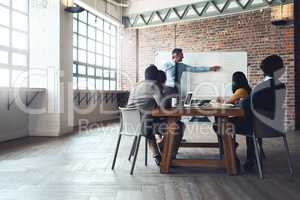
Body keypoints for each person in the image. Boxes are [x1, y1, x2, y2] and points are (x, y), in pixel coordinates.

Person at [213, 71, 253, 172]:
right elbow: (231, 101)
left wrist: (221, 101)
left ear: (235, 81)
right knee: (219, 123)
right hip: (249, 121)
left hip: (245, 123)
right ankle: (228, 146)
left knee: (218, 125)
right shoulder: (245, 90)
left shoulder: (241, 90)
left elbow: (228, 102)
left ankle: (229, 147)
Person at [127, 65, 163, 165]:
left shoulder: (136, 85)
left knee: (150, 121)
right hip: (143, 124)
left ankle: (158, 154)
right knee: (170, 125)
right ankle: (164, 150)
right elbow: (162, 104)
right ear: (156, 76)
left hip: (129, 123)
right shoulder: (154, 85)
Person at [155, 70, 185, 157]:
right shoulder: (169, 89)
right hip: (162, 124)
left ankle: (162, 142)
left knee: (174, 124)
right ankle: (172, 153)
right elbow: (178, 102)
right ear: (165, 79)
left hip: (147, 123)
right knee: (179, 126)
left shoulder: (148, 89)